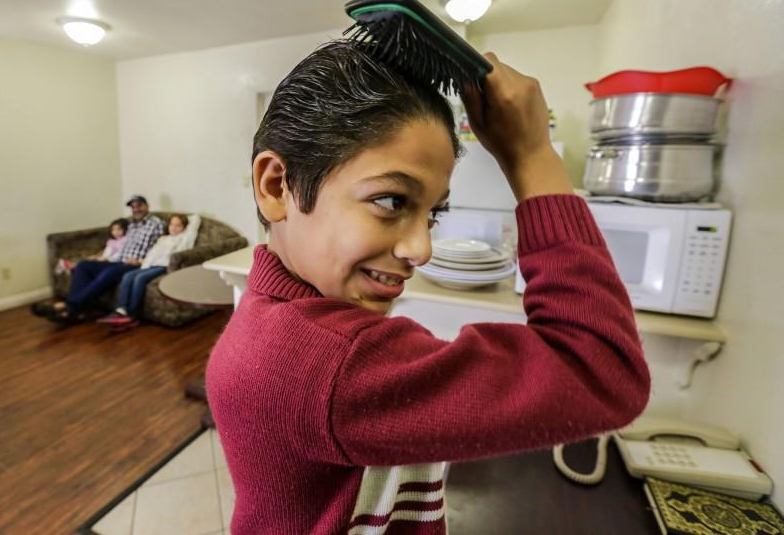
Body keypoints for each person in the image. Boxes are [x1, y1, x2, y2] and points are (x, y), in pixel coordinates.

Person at [205, 40, 651, 534]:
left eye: (433, 212)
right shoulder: (325, 362)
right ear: (275, 186)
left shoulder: (278, 324)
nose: (421, 249)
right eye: (392, 201)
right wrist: (531, 157)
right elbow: (598, 370)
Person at [33, 195, 164, 324]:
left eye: (139, 205)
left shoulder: (156, 223)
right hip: (117, 261)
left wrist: (141, 260)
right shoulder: (130, 224)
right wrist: (99, 256)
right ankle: (75, 310)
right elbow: (117, 243)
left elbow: (161, 246)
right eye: (133, 207)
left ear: (147, 206)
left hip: (135, 264)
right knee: (84, 265)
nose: (136, 209)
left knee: (108, 273)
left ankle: (68, 307)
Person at [98, 213, 202, 330]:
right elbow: (152, 254)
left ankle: (133, 315)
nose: (173, 227)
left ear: (184, 228)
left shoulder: (185, 238)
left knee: (140, 278)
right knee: (128, 276)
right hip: (150, 264)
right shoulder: (163, 239)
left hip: (163, 266)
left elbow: (195, 219)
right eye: (172, 224)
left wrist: (186, 220)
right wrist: (142, 262)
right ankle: (120, 310)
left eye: (178, 225)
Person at [54, 218, 128, 275]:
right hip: (105, 258)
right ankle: (72, 265)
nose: (116, 232)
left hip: (111, 261)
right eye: (113, 230)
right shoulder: (112, 241)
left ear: (125, 229)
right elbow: (107, 252)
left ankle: (72, 267)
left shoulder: (125, 240)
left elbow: (119, 254)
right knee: (91, 258)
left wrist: (106, 258)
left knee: (87, 263)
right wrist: (99, 256)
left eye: (119, 229)